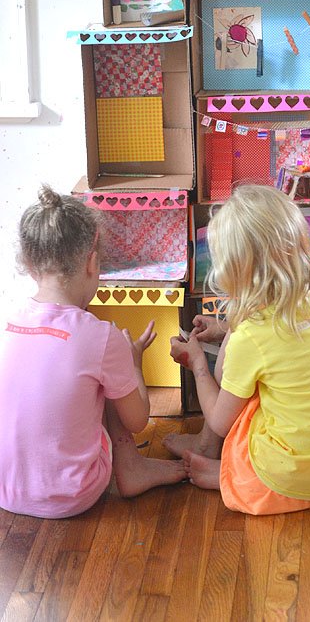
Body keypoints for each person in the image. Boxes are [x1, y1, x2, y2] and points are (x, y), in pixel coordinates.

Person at [166, 184, 310, 515]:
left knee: (242, 377)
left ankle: (225, 474)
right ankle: (213, 457)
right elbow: (297, 347)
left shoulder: (253, 335)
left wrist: (197, 364)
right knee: (258, 359)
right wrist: (225, 328)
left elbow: (221, 420)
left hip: (281, 483)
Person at [0, 185, 185, 518]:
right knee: (107, 379)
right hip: (73, 496)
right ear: (92, 262)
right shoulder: (102, 336)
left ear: (29, 265)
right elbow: (139, 420)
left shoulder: (8, 323)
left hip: (6, 492)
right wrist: (133, 363)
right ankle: (131, 469)